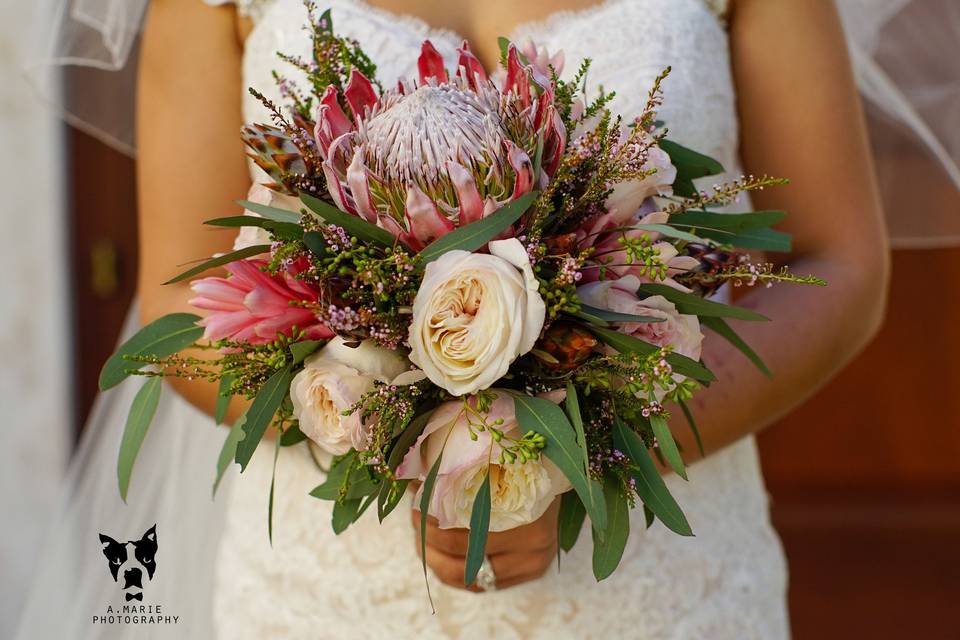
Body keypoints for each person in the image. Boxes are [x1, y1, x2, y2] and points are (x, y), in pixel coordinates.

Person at [18, 0, 891, 638]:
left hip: (664, 593)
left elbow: (840, 262)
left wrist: (589, 458)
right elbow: (179, 298)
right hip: (332, 599)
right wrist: (396, 447)